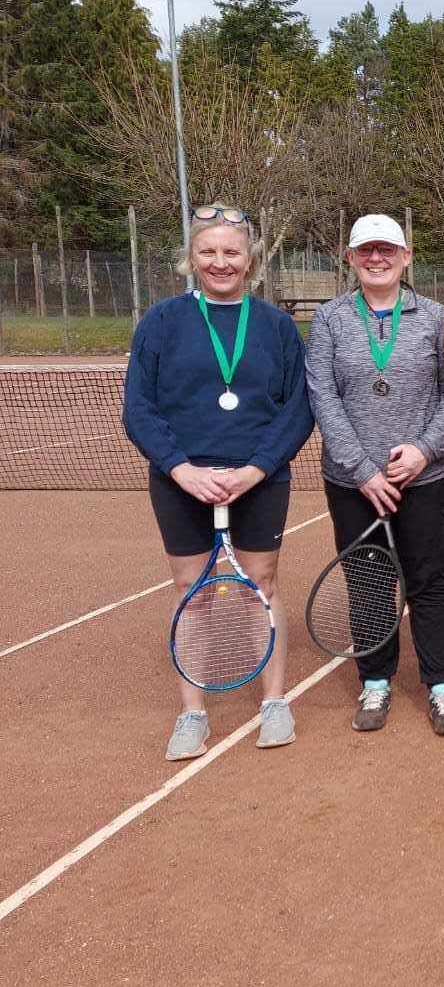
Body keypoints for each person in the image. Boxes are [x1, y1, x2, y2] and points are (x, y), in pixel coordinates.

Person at [122, 203, 313, 760]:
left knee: (262, 586)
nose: (220, 262)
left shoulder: (276, 326)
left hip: (260, 476)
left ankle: (274, 702)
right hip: (181, 477)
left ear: (250, 258)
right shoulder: (161, 321)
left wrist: (256, 469)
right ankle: (192, 713)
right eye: (208, 252)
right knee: (190, 592)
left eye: (231, 252)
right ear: (191, 259)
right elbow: (139, 409)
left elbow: (297, 408)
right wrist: (182, 469)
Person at [306, 213, 444, 736]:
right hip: (353, 482)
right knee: (369, 581)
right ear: (350, 258)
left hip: (427, 477)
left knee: (430, 579)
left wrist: (421, 451)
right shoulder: (329, 318)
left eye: (387, 250)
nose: (377, 259)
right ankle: (375, 681)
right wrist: (364, 471)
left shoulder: (437, 317)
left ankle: (442, 686)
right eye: (366, 251)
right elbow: (323, 398)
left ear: (406, 257)